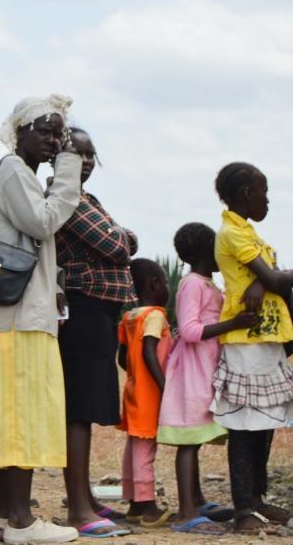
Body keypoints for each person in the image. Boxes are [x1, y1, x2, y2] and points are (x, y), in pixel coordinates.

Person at [0, 94, 81, 545]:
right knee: (23, 416)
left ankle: (5, 516)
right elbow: (43, 221)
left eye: (59, 132)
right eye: (46, 130)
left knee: (21, 414)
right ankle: (19, 521)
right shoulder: (15, 170)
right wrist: (69, 170)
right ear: (20, 132)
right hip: (18, 316)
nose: (54, 139)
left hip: (23, 313)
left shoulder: (22, 173)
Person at [51, 128, 136, 538]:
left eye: (89, 154)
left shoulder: (87, 200)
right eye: (75, 152)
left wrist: (121, 237)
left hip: (98, 310)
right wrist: (122, 237)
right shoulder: (62, 196)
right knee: (79, 411)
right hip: (83, 307)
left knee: (85, 409)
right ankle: (79, 509)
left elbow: (118, 240)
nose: (84, 161)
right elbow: (117, 245)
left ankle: (83, 495)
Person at [210, 162, 293, 534]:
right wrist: (268, 280)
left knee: (265, 423)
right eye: (264, 191)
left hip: (267, 337)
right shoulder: (231, 233)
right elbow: (274, 276)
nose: (268, 200)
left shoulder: (248, 233)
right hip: (247, 341)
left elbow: (270, 279)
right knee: (246, 424)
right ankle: (244, 508)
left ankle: (257, 499)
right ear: (247, 193)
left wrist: (267, 282)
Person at [161, 223, 248, 535]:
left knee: (195, 441)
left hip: (204, 370)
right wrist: (233, 323)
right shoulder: (192, 284)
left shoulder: (208, 284)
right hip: (192, 373)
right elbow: (189, 331)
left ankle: (195, 501)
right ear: (203, 252)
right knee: (189, 441)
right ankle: (185, 513)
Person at [116, 259, 172, 528]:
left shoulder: (129, 316)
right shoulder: (155, 315)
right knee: (145, 448)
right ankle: (148, 506)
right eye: (166, 281)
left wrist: (135, 376)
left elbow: (123, 357)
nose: (168, 286)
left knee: (134, 446)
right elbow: (150, 352)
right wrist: (165, 386)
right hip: (149, 394)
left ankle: (135, 505)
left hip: (133, 391)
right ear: (154, 284)